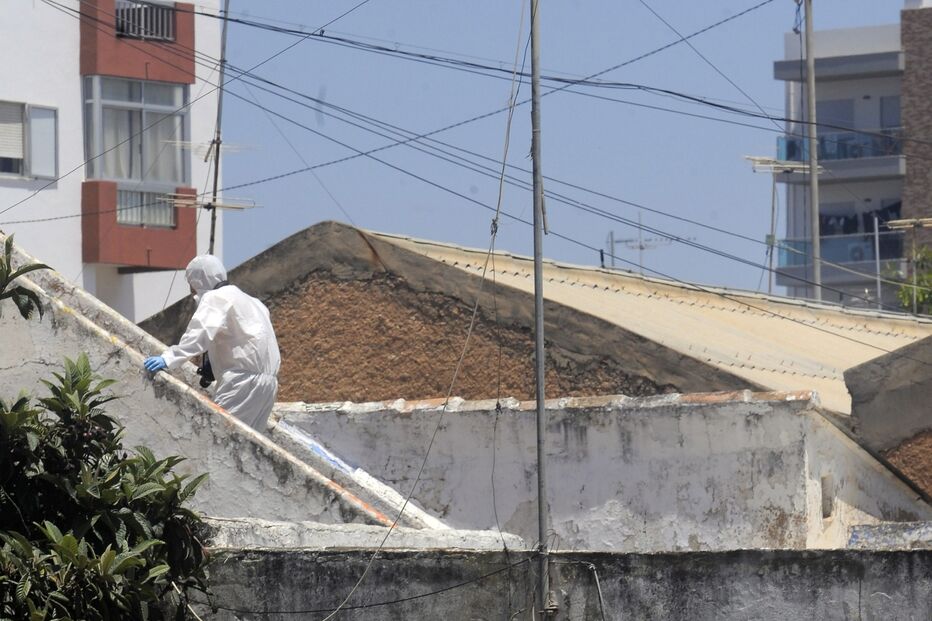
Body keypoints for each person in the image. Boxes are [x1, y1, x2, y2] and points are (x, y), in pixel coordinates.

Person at [144, 255, 281, 431]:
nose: (192, 291)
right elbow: (244, 340)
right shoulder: (254, 303)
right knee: (246, 448)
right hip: (269, 384)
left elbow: (199, 333)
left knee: (218, 436)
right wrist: (214, 365)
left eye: (192, 284)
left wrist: (169, 358)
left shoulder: (216, 298)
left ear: (199, 279)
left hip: (241, 383)